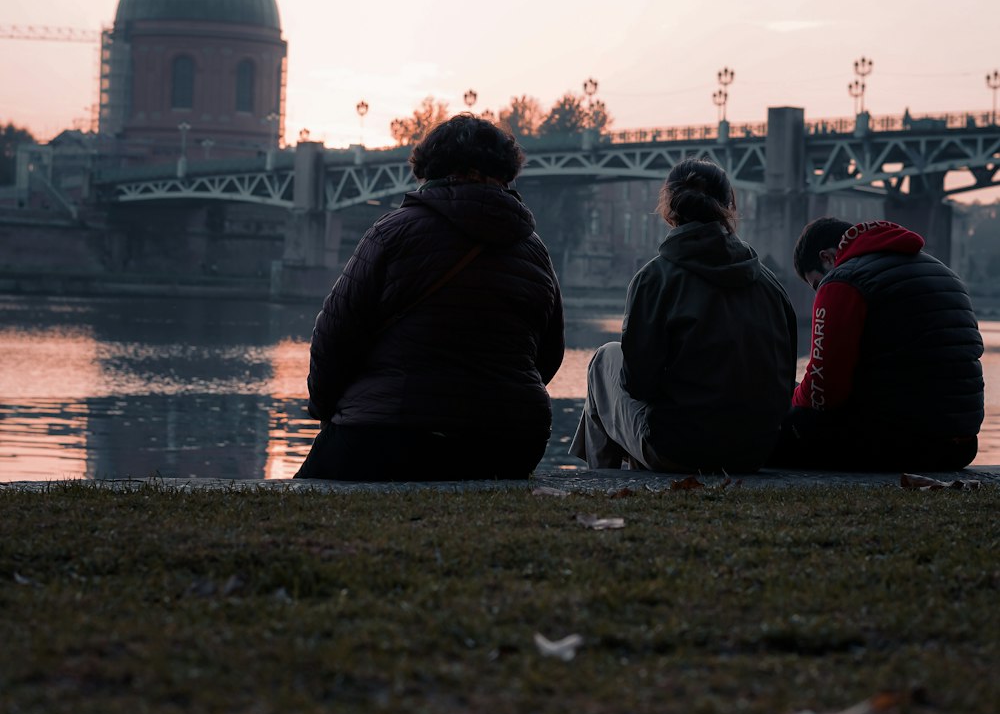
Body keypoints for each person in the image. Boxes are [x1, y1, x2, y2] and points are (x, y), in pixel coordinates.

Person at [295, 114, 564, 481]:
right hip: (511, 445)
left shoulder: (392, 233)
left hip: (393, 436)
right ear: (506, 174)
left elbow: (334, 336)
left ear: (432, 169)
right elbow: (549, 355)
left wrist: (328, 410)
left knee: (310, 491)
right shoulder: (535, 250)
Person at [570, 159, 797, 474]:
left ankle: (602, 481)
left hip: (681, 450)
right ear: (730, 205)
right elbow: (784, 385)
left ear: (668, 208)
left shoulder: (654, 279)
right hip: (754, 451)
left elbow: (637, 385)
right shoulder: (771, 285)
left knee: (603, 359)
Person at [773, 217, 984, 470]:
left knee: (769, 426)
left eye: (816, 284)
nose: (819, 292)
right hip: (960, 445)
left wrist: (788, 403)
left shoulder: (842, 279)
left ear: (827, 257)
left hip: (899, 443)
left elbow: (824, 390)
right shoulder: (943, 271)